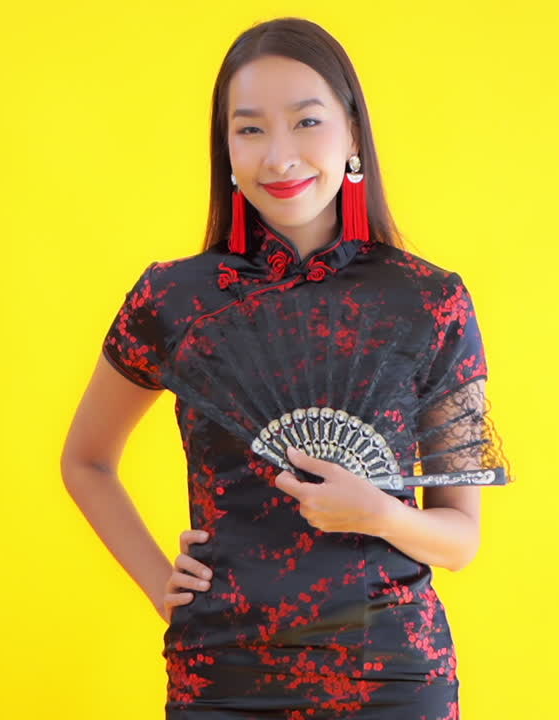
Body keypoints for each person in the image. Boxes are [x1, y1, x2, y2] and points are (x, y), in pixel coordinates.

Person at [62, 17, 505, 719]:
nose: (280, 156)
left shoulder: (431, 301)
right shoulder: (174, 299)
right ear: (226, 149)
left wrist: (378, 513)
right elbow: (86, 460)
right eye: (250, 129)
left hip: (392, 677)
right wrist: (159, 584)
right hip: (222, 674)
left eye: (307, 122)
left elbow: (461, 540)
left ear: (353, 134)